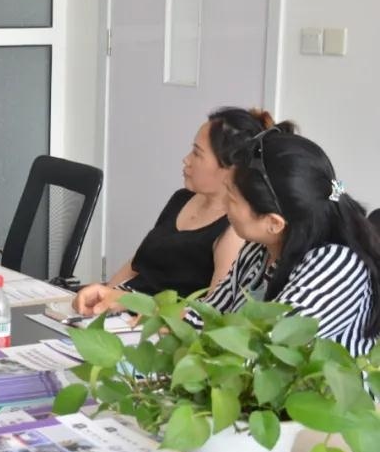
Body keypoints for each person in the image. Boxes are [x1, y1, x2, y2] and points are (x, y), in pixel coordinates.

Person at [81, 130, 380, 357]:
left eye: (232, 199)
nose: (224, 207)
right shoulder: (259, 249)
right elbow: (206, 316)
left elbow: (266, 350)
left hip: (318, 412)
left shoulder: (337, 266)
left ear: (274, 222)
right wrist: (124, 300)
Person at [74, 107, 278, 315]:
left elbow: (211, 313)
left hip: (155, 324)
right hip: (121, 312)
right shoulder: (182, 198)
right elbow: (137, 263)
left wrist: (129, 302)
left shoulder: (234, 229)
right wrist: (102, 297)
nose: (186, 160)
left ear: (229, 167)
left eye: (197, 153)